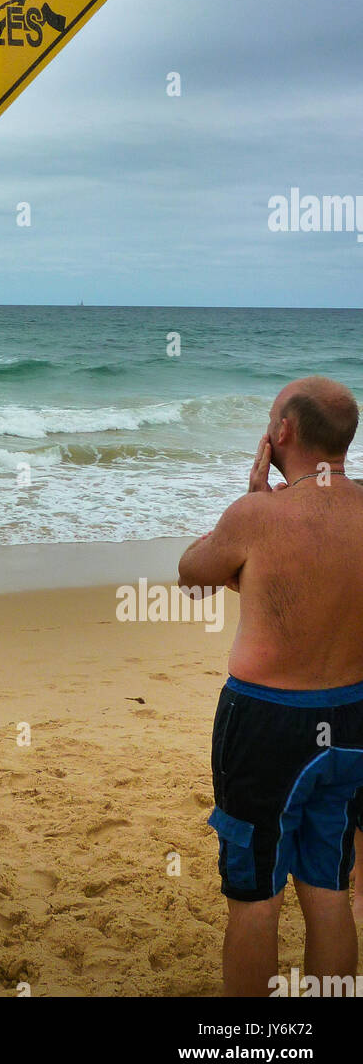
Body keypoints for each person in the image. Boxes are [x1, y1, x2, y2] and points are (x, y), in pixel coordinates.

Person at [178, 376, 363, 996]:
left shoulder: (257, 515)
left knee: (256, 894)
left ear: (281, 431)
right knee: (330, 887)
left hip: (268, 723)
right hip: (352, 717)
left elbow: (194, 575)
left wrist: (253, 501)